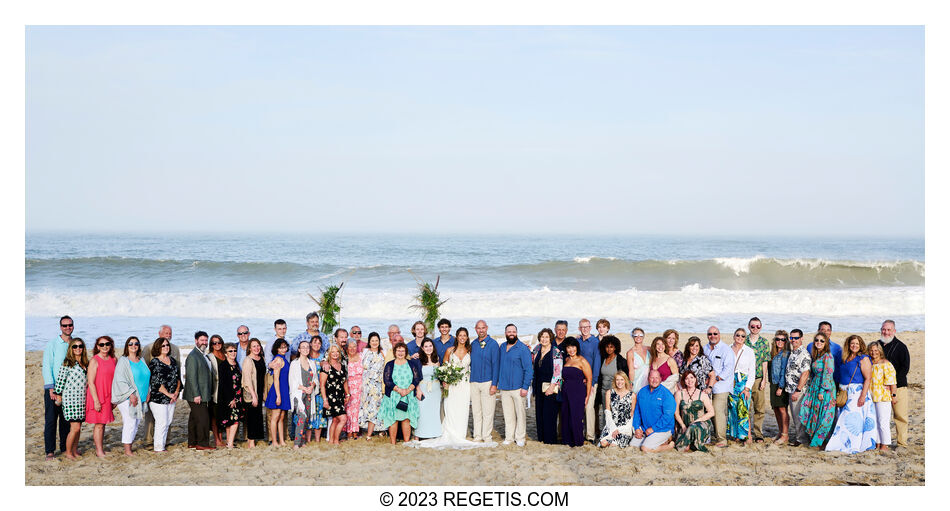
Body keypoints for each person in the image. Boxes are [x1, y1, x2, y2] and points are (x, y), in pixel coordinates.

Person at [413, 327, 494, 449]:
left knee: (463, 409)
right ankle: (449, 432)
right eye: (460, 335)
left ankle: (460, 434)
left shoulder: (470, 350)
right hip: (452, 385)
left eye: (464, 335)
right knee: (450, 408)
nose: (462, 338)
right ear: (456, 337)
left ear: (467, 337)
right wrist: (446, 380)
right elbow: (443, 367)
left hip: (465, 385)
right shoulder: (450, 351)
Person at [825, 335, 878, 453]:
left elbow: (868, 379)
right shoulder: (845, 357)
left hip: (857, 392)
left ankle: (852, 445)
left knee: (850, 420)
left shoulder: (863, 358)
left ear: (861, 346)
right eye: (852, 343)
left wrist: (863, 396)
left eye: (857, 344)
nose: (854, 346)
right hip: (844, 392)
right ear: (848, 344)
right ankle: (841, 444)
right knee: (841, 418)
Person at [142, 325, 180, 447]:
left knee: (166, 420)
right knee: (153, 418)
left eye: (170, 333)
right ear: (159, 333)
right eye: (166, 333)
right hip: (155, 392)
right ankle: (149, 441)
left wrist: (176, 392)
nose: (168, 335)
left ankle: (165, 441)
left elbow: (177, 373)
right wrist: (146, 390)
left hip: (171, 394)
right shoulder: (149, 348)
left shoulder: (174, 349)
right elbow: (146, 371)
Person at [111, 336, 150, 456]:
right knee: (130, 422)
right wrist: (131, 394)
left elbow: (147, 377)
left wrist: (149, 391)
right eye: (131, 344)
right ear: (127, 346)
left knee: (136, 423)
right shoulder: (124, 361)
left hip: (141, 398)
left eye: (136, 343)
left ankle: (130, 445)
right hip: (128, 398)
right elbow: (120, 380)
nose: (134, 346)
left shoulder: (141, 360)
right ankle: (127, 450)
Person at [42, 315, 73, 460]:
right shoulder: (53, 344)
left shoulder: (75, 344)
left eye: (70, 325)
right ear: (60, 327)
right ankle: (50, 451)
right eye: (65, 325)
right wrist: (51, 388)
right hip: (54, 389)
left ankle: (64, 447)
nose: (68, 327)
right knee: (51, 420)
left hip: (69, 390)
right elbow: (47, 366)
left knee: (66, 420)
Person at [497, 324, 533, 447]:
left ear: (516, 333)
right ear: (505, 333)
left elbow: (528, 370)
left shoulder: (523, 349)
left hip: (518, 388)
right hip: (504, 387)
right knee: (508, 415)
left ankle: (520, 437)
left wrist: (525, 387)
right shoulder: (502, 347)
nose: (511, 333)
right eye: (509, 331)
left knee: (520, 414)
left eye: (513, 331)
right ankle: (509, 437)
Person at [379, 342, 422, 445]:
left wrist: (407, 390)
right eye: (398, 350)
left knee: (406, 419)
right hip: (393, 396)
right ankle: (393, 442)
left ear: (406, 352)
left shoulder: (411, 364)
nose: (400, 353)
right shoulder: (390, 364)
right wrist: (399, 390)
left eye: (403, 351)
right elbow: (387, 380)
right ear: (395, 352)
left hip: (408, 396)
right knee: (393, 419)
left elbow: (416, 379)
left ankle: (406, 441)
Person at [53, 337, 88, 459]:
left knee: (78, 428)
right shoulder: (67, 363)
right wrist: (58, 396)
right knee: (75, 428)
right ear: (71, 349)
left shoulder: (86, 363)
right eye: (75, 346)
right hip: (70, 400)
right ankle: (68, 452)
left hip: (82, 400)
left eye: (80, 346)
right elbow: (60, 381)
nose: (78, 349)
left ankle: (74, 449)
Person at [799, 334, 836, 449]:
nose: (819, 342)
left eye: (822, 341)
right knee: (813, 412)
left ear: (826, 343)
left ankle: (822, 442)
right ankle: (814, 438)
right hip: (815, 386)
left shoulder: (827, 356)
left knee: (824, 415)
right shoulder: (816, 355)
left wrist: (822, 390)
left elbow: (828, 373)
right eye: (817, 340)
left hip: (825, 389)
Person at [879, 319, 910, 448]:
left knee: (900, 416)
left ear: (894, 331)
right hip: (880, 388)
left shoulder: (901, 347)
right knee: (881, 417)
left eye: (889, 330)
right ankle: (880, 442)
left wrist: (892, 385)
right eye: (884, 329)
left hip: (899, 387)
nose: (886, 332)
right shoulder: (877, 345)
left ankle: (902, 444)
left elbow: (905, 368)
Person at [85, 335, 117, 458]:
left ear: (111, 345)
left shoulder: (114, 359)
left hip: (109, 395)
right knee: (98, 424)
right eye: (102, 345)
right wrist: (96, 401)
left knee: (103, 423)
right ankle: (99, 451)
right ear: (97, 346)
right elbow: (91, 382)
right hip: (97, 395)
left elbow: (115, 380)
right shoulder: (94, 360)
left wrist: (115, 398)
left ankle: (101, 448)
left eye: (107, 344)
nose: (105, 347)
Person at [630, 369, 676, 452]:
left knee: (645, 449)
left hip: (663, 429)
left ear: (660, 379)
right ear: (648, 379)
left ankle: (668, 446)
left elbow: (667, 416)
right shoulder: (642, 392)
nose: (654, 380)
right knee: (633, 446)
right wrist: (637, 428)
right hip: (645, 429)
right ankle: (661, 442)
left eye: (656, 378)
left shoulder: (666, 394)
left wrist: (653, 429)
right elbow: (637, 412)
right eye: (652, 378)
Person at [703, 326, 734, 448]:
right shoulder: (705, 348)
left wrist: (714, 380)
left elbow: (728, 369)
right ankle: (713, 435)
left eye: (715, 333)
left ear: (719, 334)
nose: (713, 336)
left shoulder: (726, 349)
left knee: (717, 410)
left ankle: (722, 439)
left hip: (721, 386)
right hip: (707, 385)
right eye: (710, 334)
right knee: (707, 410)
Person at [470, 320, 499, 443]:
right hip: (474, 382)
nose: (481, 330)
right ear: (475, 329)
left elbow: (496, 365)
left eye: (483, 328)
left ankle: (486, 436)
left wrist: (494, 384)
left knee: (488, 411)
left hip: (488, 381)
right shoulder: (473, 344)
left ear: (487, 328)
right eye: (478, 328)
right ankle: (477, 435)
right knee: (476, 411)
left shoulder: (493, 344)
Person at [184, 331, 214, 450]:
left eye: (206, 340)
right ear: (196, 341)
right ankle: (202, 444)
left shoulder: (202, 354)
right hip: (195, 394)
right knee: (203, 419)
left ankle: (192, 442)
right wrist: (196, 394)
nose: (204, 343)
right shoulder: (193, 356)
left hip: (202, 393)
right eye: (202, 340)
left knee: (194, 418)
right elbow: (191, 377)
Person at [531, 328, 562, 445]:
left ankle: (550, 440)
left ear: (551, 338)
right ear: (539, 338)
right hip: (538, 385)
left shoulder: (555, 351)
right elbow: (532, 363)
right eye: (542, 337)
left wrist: (551, 386)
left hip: (550, 386)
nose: (544, 339)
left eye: (547, 337)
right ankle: (541, 438)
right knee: (539, 413)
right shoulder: (537, 349)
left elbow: (558, 371)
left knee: (549, 414)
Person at [560, 337, 592, 447]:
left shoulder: (582, 361)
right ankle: (567, 440)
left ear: (577, 347)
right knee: (566, 416)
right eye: (568, 347)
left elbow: (589, 379)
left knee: (576, 417)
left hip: (578, 392)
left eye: (573, 347)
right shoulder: (566, 360)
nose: (571, 349)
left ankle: (578, 441)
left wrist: (587, 396)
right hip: (566, 391)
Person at [674, 370, 715, 452]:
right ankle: (689, 443)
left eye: (692, 377)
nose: (690, 380)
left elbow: (711, 412)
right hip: (685, 424)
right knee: (686, 448)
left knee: (693, 427)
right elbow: (676, 413)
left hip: (701, 423)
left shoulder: (702, 394)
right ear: (684, 381)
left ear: (695, 379)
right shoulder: (679, 393)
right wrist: (682, 425)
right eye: (686, 378)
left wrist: (697, 421)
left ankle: (691, 443)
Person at [867, 341, 897, 451]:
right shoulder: (869, 363)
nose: (873, 352)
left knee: (883, 421)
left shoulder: (886, 364)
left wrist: (894, 395)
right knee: (875, 421)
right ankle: (878, 443)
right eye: (871, 350)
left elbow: (892, 382)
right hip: (871, 396)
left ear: (880, 351)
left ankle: (885, 444)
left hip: (883, 396)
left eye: (876, 350)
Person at [728, 328, 756, 446]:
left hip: (743, 383)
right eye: (738, 335)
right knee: (733, 410)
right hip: (731, 382)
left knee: (744, 410)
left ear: (745, 338)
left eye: (743, 336)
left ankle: (748, 436)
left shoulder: (749, 351)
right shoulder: (728, 349)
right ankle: (737, 436)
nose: (740, 338)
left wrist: (747, 388)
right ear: (734, 336)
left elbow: (752, 371)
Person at [784, 328, 811, 447]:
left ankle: (801, 439)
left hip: (799, 391)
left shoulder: (803, 354)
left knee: (799, 415)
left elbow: (805, 373)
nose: (793, 340)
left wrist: (798, 390)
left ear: (801, 338)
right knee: (795, 415)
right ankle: (800, 437)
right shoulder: (793, 352)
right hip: (791, 389)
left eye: (796, 338)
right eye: (791, 338)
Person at [576, 319, 602, 443]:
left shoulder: (596, 342)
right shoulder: (577, 341)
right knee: (579, 407)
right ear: (579, 328)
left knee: (589, 407)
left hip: (591, 381)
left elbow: (596, 364)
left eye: (586, 327)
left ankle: (590, 436)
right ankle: (579, 433)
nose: (584, 329)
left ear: (590, 327)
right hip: (578, 381)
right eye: (582, 327)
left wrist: (592, 382)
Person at [288, 340, 317, 449]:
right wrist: (303, 388)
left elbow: (315, 379)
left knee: (307, 417)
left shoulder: (312, 363)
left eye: (307, 347)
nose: (305, 349)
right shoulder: (294, 364)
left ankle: (303, 441)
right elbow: (292, 381)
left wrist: (312, 386)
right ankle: (296, 443)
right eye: (303, 347)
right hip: (298, 394)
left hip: (309, 394)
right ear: (299, 350)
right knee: (301, 416)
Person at [216, 343, 244, 449]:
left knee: (231, 420)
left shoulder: (236, 364)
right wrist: (231, 399)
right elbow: (224, 384)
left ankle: (229, 442)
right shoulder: (223, 366)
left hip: (237, 396)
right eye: (230, 351)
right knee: (233, 421)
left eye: (234, 350)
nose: (233, 353)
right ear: (225, 353)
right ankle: (230, 443)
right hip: (228, 397)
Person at [597, 335, 627, 433]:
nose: (609, 349)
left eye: (611, 347)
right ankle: (606, 433)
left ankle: (615, 434)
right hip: (603, 391)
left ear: (615, 347)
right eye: (607, 346)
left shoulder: (620, 361)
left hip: (615, 392)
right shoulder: (603, 359)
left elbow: (625, 377)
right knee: (606, 413)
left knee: (615, 414)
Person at [747, 317, 770, 443]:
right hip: (745, 379)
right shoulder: (744, 340)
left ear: (761, 327)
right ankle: (746, 433)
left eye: (758, 326)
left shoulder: (764, 342)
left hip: (758, 378)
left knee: (759, 408)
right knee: (745, 407)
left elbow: (765, 361)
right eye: (752, 326)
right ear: (748, 327)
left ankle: (758, 433)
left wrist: (764, 379)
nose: (755, 328)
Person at [359, 332, 386, 439]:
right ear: (369, 342)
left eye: (376, 341)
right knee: (366, 408)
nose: (374, 343)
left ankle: (373, 433)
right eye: (372, 341)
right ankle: (366, 430)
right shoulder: (365, 352)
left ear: (379, 342)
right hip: (366, 385)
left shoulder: (383, 352)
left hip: (377, 385)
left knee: (376, 408)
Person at [321, 344, 349, 445]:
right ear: (329, 354)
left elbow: (344, 381)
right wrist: (325, 400)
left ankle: (331, 441)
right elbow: (322, 385)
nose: (335, 354)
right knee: (343, 418)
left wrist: (348, 394)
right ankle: (336, 440)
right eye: (332, 352)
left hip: (340, 396)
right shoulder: (326, 367)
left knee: (335, 420)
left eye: (337, 351)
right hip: (331, 398)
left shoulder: (342, 365)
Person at [415, 338, 443, 439]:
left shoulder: (438, 358)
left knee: (435, 412)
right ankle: (419, 434)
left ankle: (435, 433)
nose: (428, 348)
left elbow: (441, 374)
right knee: (422, 412)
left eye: (430, 346)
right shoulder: (418, 360)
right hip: (423, 388)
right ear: (422, 348)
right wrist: (418, 390)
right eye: (426, 346)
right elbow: (415, 377)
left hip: (435, 389)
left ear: (433, 347)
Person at [265, 339, 291, 446]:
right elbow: (276, 379)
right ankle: (274, 441)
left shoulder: (284, 358)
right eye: (281, 347)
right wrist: (278, 395)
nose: (283, 349)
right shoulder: (278, 360)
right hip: (278, 391)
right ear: (276, 349)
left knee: (281, 417)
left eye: (285, 347)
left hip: (284, 390)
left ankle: (281, 440)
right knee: (275, 417)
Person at [242, 338, 267, 448]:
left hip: (260, 390)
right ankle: (250, 441)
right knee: (251, 416)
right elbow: (247, 380)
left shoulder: (261, 358)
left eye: (258, 346)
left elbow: (264, 376)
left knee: (258, 415)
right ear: (249, 348)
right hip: (251, 392)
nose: (256, 348)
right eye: (254, 346)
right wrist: (254, 396)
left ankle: (255, 437)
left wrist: (264, 392)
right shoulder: (248, 360)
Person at [599, 372, 635, 448]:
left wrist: (619, 430)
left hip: (625, 427)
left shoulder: (632, 395)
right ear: (615, 381)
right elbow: (607, 412)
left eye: (622, 380)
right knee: (603, 443)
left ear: (625, 381)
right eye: (617, 380)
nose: (619, 382)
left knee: (613, 445)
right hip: (612, 424)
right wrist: (613, 428)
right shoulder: (609, 393)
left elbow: (632, 415)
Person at [768, 330, 791, 444]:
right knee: (776, 408)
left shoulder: (785, 354)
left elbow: (784, 371)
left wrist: (781, 387)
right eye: (778, 339)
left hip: (781, 384)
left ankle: (785, 434)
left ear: (786, 341)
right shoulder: (774, 353)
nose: (780, 341)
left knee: (782, 409)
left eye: (783, 339)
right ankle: (780, 431)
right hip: (773, 383)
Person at [207, 334, 226, 447]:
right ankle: (217, 440)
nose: (217, 345)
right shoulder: (210, 357)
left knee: (222, 415)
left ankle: (221, 438)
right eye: (214, 343)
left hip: (225, 389)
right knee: (214, 415)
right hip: (215, 389)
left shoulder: (225, 355)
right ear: (211, 345)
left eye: (219, 342)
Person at [307, 336, 327, 442]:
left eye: (319, 343)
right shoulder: (306, 357)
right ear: (310, 344)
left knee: (319, 414)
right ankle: (309, 439)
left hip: (320, 390)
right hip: (308, 389)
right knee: (309, 413)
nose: (317, 345)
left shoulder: (323, 358)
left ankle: (318, 439)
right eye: (315, 342)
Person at [344, 339, 365, 439]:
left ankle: (356, 430)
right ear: (347, 348)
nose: (352, 349)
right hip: (348, 387)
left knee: (357, 409)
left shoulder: (361, 356)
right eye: (350, 347)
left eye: (354, 346)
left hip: (360, 386)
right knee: (348, 409)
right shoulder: (344, 358)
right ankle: (349, 431)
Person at [625, 327, 651, 392]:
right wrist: (631, 382)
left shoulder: (649, 349)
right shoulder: (630, 353)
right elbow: (631, 371)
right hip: (637, 382)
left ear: (644, 336)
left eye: (641, 335)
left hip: (650, 381)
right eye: (636, 335)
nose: (638, 337)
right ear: (633, 337)